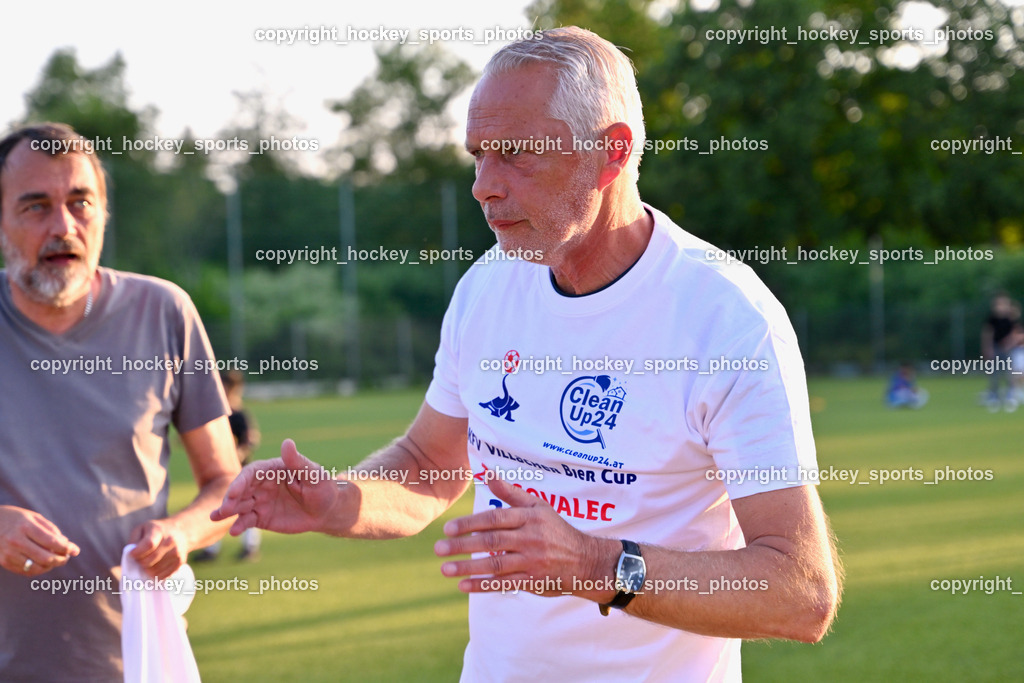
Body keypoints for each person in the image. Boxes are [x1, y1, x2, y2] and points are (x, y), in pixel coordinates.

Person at [213, 27, 841, 682]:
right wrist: (340, 499)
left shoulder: (725, 320)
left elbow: (799, 590)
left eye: (515, 153)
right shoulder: (489, 286)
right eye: (479, 155)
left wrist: (593, 564)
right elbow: (430, 462)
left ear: (611, 154)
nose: (484, 185)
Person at [0, 123, 240, 680]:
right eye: (35, 206)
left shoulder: (164, 313)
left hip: (131, 661)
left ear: (104, 213)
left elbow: (224, 482)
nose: (64, 226)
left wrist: (181, 532)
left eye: (80, 203)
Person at [194, 370, 262, 561]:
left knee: (246, 508)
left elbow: (250, 440)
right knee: (217, 507)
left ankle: (250, 546)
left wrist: (237, 453)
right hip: (220, 471)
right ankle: (211, 549)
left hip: (239, 471)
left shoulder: (239, 415)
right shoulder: (218, 414)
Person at [981, 291, 1017, 411]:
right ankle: (994, 395)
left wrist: (1010, 344)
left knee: (1009, 372)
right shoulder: (992, 319)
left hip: (1006, 348)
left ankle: (1010, 395)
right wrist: (988, 347)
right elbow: (988, 333)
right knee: (994, 373)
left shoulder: (1009, 319)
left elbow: (1013, 333)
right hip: (996, 347)